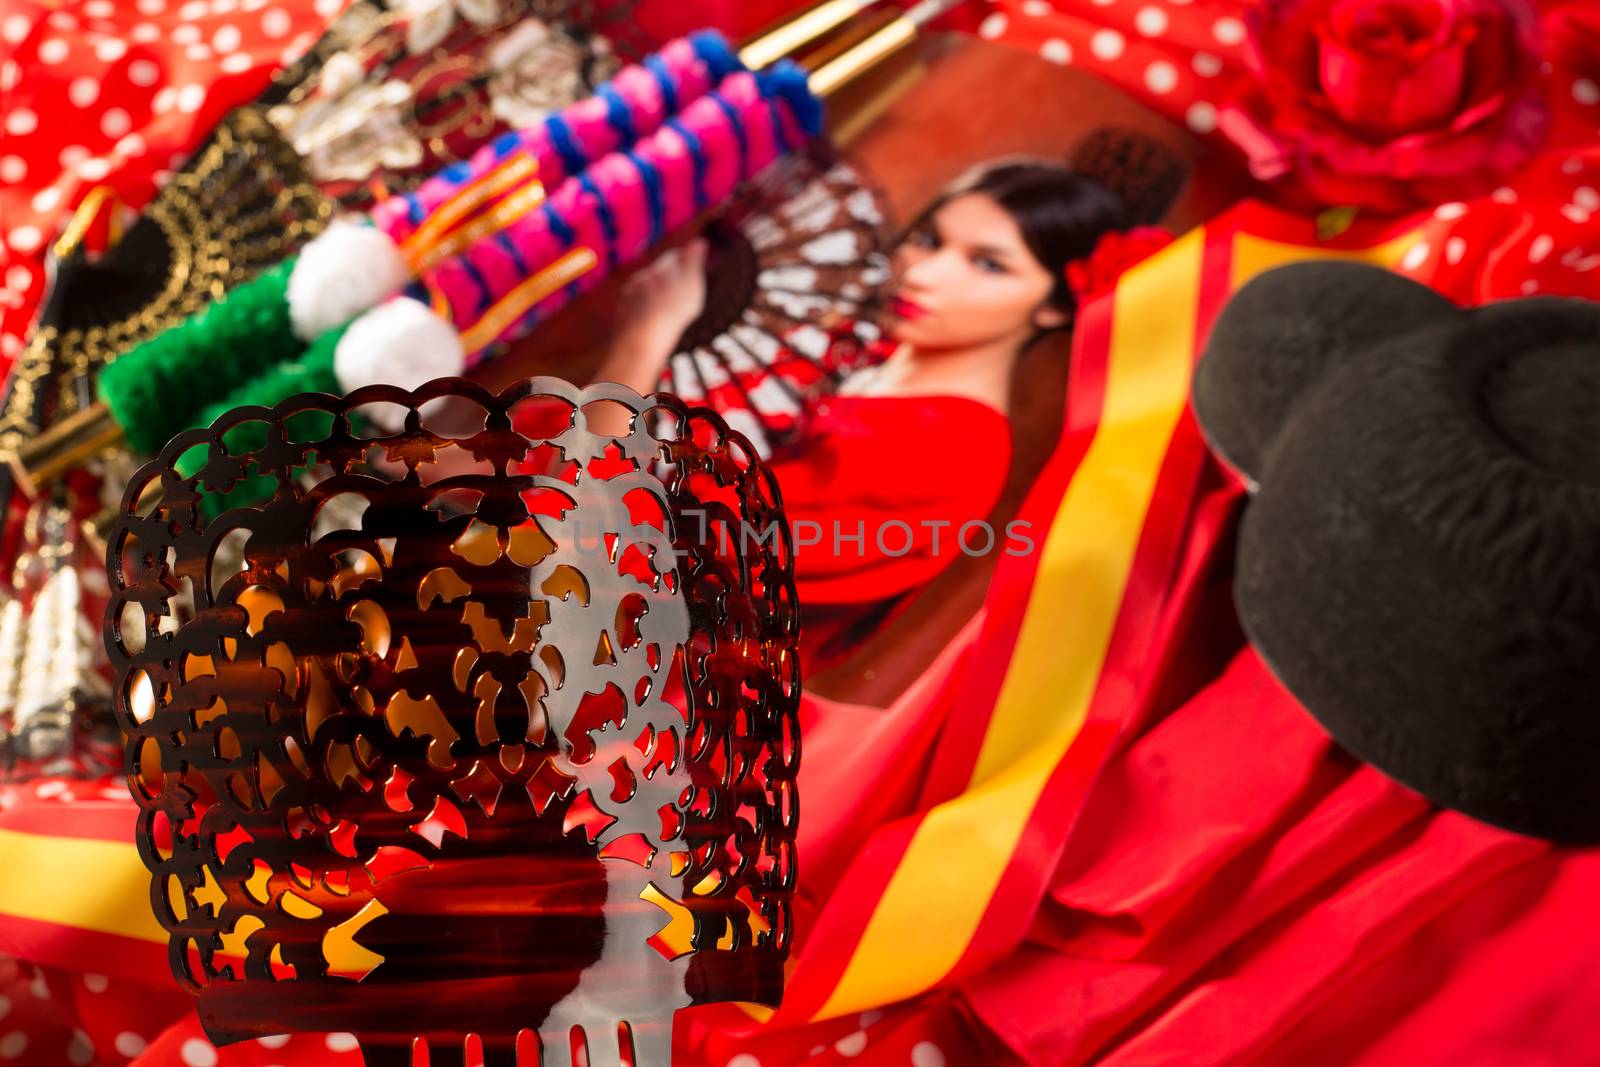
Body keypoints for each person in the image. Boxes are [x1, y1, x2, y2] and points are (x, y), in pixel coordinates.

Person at [594, 156, 1164, 670]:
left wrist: (641, 343)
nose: (922, 271)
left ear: (1056, 305)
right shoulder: (847, 345)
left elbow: (636, 540)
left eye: (989, 265)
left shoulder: (953, 455)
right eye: (928, 238)